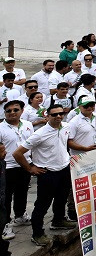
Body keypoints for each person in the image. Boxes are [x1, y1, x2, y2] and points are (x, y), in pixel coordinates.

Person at [13, 105, 75, 246]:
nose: (58, 117)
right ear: (47, 116)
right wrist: (30, 168)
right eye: (54, 115)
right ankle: (37, 233)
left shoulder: (66, 127)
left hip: (64, 169)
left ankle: (58, 220)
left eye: (61, 114)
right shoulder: (39, 134)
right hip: (47, 173)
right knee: (42, 204)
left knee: (62, 197)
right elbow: (17, 153)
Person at [0, 100, 31, 240]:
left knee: (22, 191)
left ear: (22, 111)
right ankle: (5, 224)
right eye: (9, 111)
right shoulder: (0, 128)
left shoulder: (28, 125)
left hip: (25, 164)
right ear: (4, 113)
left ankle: (20, 215)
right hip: (8, 166)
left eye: (15, 110)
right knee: (5, 196)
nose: (12, 113)